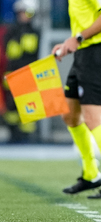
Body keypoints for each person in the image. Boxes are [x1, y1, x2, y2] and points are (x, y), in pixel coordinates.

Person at [51, 0, 101, 199]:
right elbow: (88, 21)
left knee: (94, 119)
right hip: (83, 54)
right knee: (70, 116)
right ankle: (91, 174)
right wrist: (71, 42)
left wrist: (77, 38)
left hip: (95, 55)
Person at [2, 0, 39, 143]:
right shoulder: (11, 31)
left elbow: (30, 50)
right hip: (11, 74)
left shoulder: (34, 31)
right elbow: (11, 52)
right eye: (21, 12)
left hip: (27, 74)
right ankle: (13, 133)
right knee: (11, 106)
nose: (24, 16)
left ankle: (27, 136)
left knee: (28, 105)